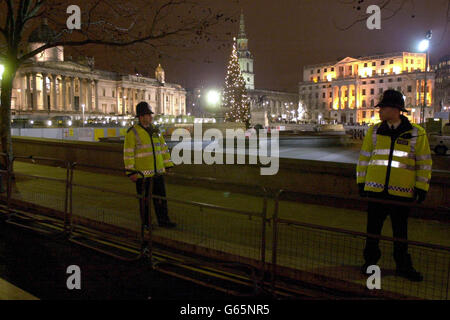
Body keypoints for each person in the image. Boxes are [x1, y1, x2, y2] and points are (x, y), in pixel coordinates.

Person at [356, 89, 432, 282]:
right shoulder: (373, 131)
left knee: (400, 233)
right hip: (375, 190)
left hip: (402, 193)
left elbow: (424, 163)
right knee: (372, 232)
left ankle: (403, 266)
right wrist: (361, 183)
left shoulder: (417, 133)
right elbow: (364, 159)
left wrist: (422, 187)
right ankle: (370, 264)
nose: (379, 111)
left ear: (396, 109)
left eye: (383, 107)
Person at [123, 101, 176, 229]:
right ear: (141, 117)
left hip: (157, 172)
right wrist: (131, 172)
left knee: (161, 199)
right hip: (142, 174)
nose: (151, 117)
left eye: (151, 115)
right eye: (148, 115)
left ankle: (163, 221)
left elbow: (163, 149)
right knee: (144, 200)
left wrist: (168, 165)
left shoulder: (156, 131)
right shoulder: (132, 133)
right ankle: (146, 223)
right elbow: (128, 154)